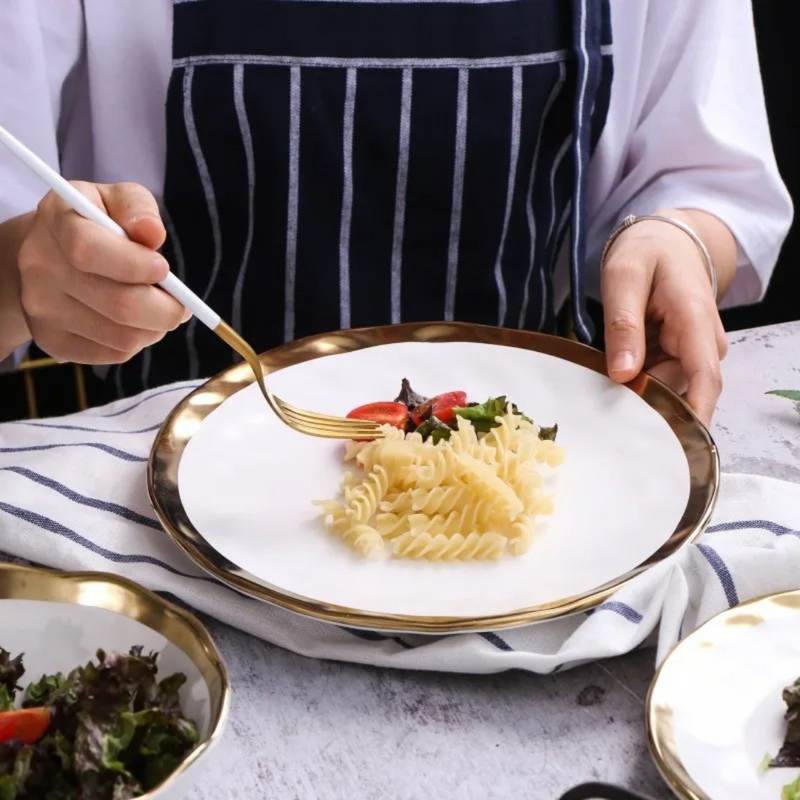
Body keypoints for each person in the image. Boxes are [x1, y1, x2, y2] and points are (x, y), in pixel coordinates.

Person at [0, 0, 792, 426]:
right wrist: (20, 275)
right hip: (161, 498)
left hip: (534, 490)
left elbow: (706, 180)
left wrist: (675, 237)